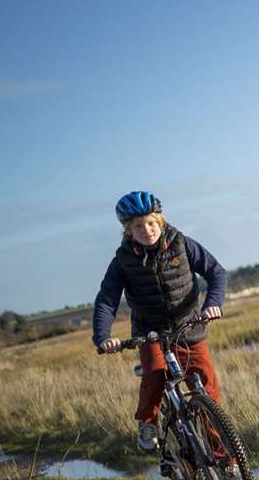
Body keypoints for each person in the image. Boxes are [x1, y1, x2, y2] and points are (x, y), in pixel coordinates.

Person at [92, 191, 230, 458]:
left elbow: (216, 272)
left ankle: (229, 461)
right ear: (128, 230)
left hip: (189, 327)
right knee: (154, 373)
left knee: (208, 395)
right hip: (150, 332)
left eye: (151, 223)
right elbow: (107, 300)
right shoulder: (123, 261)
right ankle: (147, 424)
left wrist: (213, 304)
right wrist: (103, 337)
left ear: (161, 221)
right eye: (138, 226)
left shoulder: (182, 243)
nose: (147, 230)